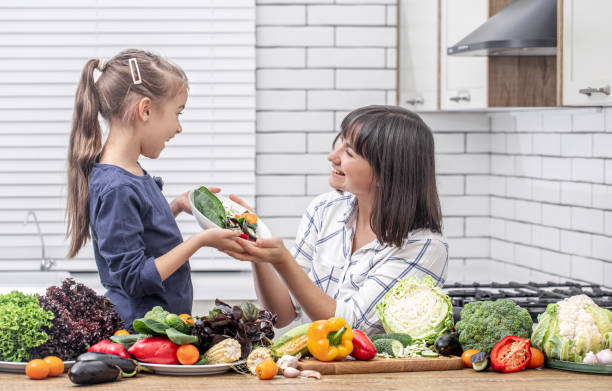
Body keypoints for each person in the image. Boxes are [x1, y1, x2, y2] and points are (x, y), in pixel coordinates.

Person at [225, 105, 448, 335]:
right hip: (313, 367)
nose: (332, 157)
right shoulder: (324, 210)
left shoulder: (424, 248)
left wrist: (282, 260)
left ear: (386, 173)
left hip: (377, 372)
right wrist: (256, 246)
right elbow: (282, 315)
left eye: (349, 152)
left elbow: (350, 328)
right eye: (339, 143)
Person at [65, 49, 245, 328]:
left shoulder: (129, 174)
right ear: (146, 110)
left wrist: (174, 207)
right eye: (178, 113)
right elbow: (136, 278)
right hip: (139, 333)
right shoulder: (117, 188)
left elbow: (138, 237)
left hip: (158, 331)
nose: (179, 127)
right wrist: (200, 241)